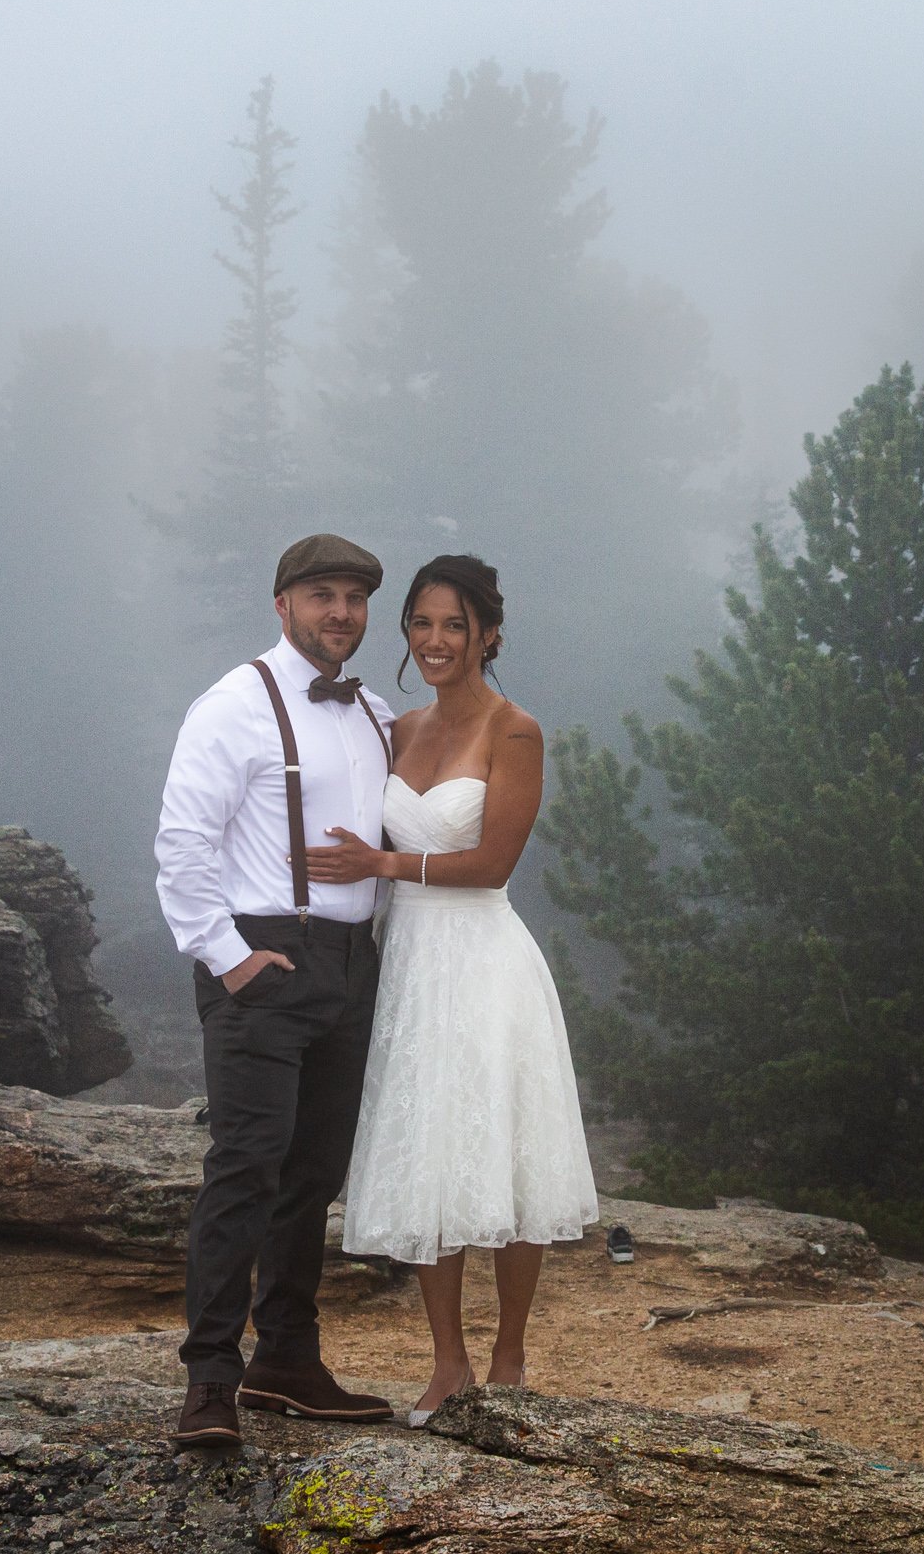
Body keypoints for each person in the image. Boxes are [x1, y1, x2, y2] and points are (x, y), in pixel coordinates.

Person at [321, 554, 598, 1423]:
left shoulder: (514, 731)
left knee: (506, 1155)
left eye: (453, 626)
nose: (435, 641)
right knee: (427, 1152)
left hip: (483, 962)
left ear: (488, 633)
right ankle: (447, 1362)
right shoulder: (398, 731)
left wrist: (384, 862)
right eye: (420, 624)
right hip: (409, 967)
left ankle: (510, 1355)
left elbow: (491, 863)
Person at [154, 533, 399, 1447]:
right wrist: (227, 956)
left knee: (315, 1174)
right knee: (247, 1167)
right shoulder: (231, 705)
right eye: (322, 595)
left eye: (356, 598)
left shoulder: (374, 711)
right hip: (264, 958)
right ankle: (211, 1380)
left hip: (350, 962)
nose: (341, 612)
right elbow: (183, 842)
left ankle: (288, 1359)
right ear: (282, 604)